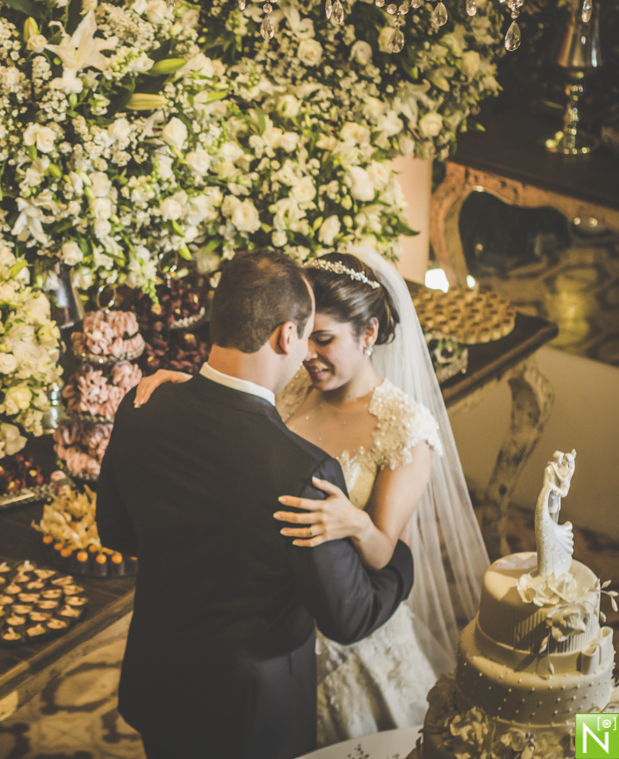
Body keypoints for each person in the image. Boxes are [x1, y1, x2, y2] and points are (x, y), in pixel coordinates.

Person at [133, 248, 489, 745]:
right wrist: (189, 390)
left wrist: (357, 524)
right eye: (304, 337)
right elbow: (243, 429)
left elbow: (388, 553)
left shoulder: (404, 430)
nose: (308, 355)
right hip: (267, 617)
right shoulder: (294, 384)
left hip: (349, 631)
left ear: (368, 335)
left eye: (324, 340)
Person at [96, 249, 415, 759]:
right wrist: (400, 559)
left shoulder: (143, 406)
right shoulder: (302, 472)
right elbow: (348, 617)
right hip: (249, 709)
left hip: (159, 678)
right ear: (287, 336)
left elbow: (115, 532)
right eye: (307, 333)